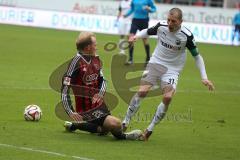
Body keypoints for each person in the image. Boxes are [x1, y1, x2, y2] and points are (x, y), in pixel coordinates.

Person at [122, 8, 215, 141]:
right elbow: (147, 31)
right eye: (169, 20)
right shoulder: (161, 26)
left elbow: (197, 57)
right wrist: (136, 36)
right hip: (155, 63)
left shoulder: (186, 36)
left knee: (167, 97)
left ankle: (150, 129)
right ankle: (125, 122)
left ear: (181, 21)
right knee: (142, 92)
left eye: (174, 21)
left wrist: (204, 77)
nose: (170, 24)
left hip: (172, 69)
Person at [61, 31, 142, 140]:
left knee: (104, 129)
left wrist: (99, 94)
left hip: (100, 105)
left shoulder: (96, 59)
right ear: (88, 47)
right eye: (95, 44)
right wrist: (70, 111)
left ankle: (75, 125)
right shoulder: (75, 63)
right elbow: (65, 89)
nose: (97, 47)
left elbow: (103, 80)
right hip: (86, 110)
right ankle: (125, 137)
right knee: (116, 124)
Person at [124, 0, 157, 66]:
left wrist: (149, 9)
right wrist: (126, 14)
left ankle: (148, 58)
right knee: (131, 38)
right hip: (135, 20)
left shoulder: (149, 0)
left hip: (144, 21)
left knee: (145, 40)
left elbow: (154, 9)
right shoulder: (133, 1)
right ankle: (130, 59)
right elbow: (132, 9)